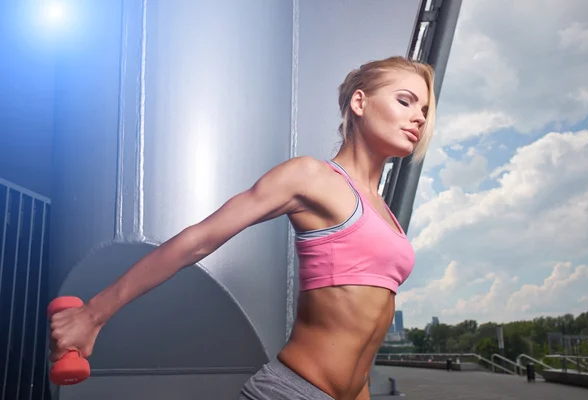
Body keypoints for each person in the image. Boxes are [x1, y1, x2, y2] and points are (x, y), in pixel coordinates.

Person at [49, 55, 436, 400]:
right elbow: (199, 240)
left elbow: (361, 338)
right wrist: (92, 314)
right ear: (360, 103)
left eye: (423, 108)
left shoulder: (384, 211)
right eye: (405, 101)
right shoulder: (312, 177)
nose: (418, 116)